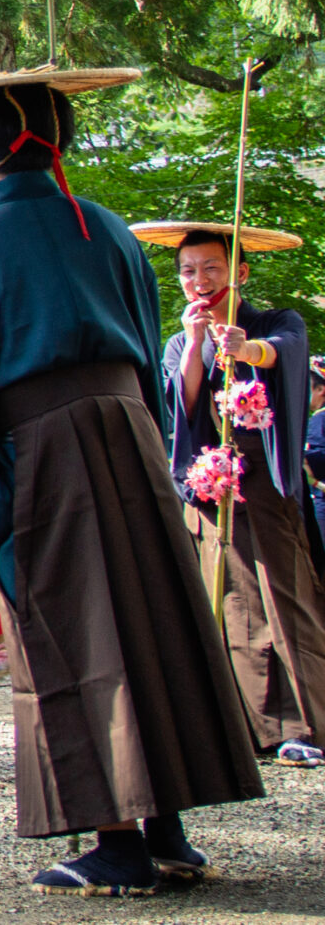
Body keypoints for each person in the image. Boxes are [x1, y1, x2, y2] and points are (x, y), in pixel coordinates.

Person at [0, 67, 260, 895]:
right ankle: (167, 830)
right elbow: (149, 353)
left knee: (76, 630)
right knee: (148, 621)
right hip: (130, 439)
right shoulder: (109, 229)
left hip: (47, 452)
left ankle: (116, 842)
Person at [137, 219, 325, 768]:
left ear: (239, 271)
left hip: (267, 482)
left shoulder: (272, 322)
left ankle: (309, 722)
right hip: (210, 487)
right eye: (189, 271)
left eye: (212, 268)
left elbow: (285, 352)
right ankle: (252, 727)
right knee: (231, 602)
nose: (200, 280)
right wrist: (197, 342)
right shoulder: (178, 339)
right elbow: (184, 402)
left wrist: (248, 350)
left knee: (284, 594)